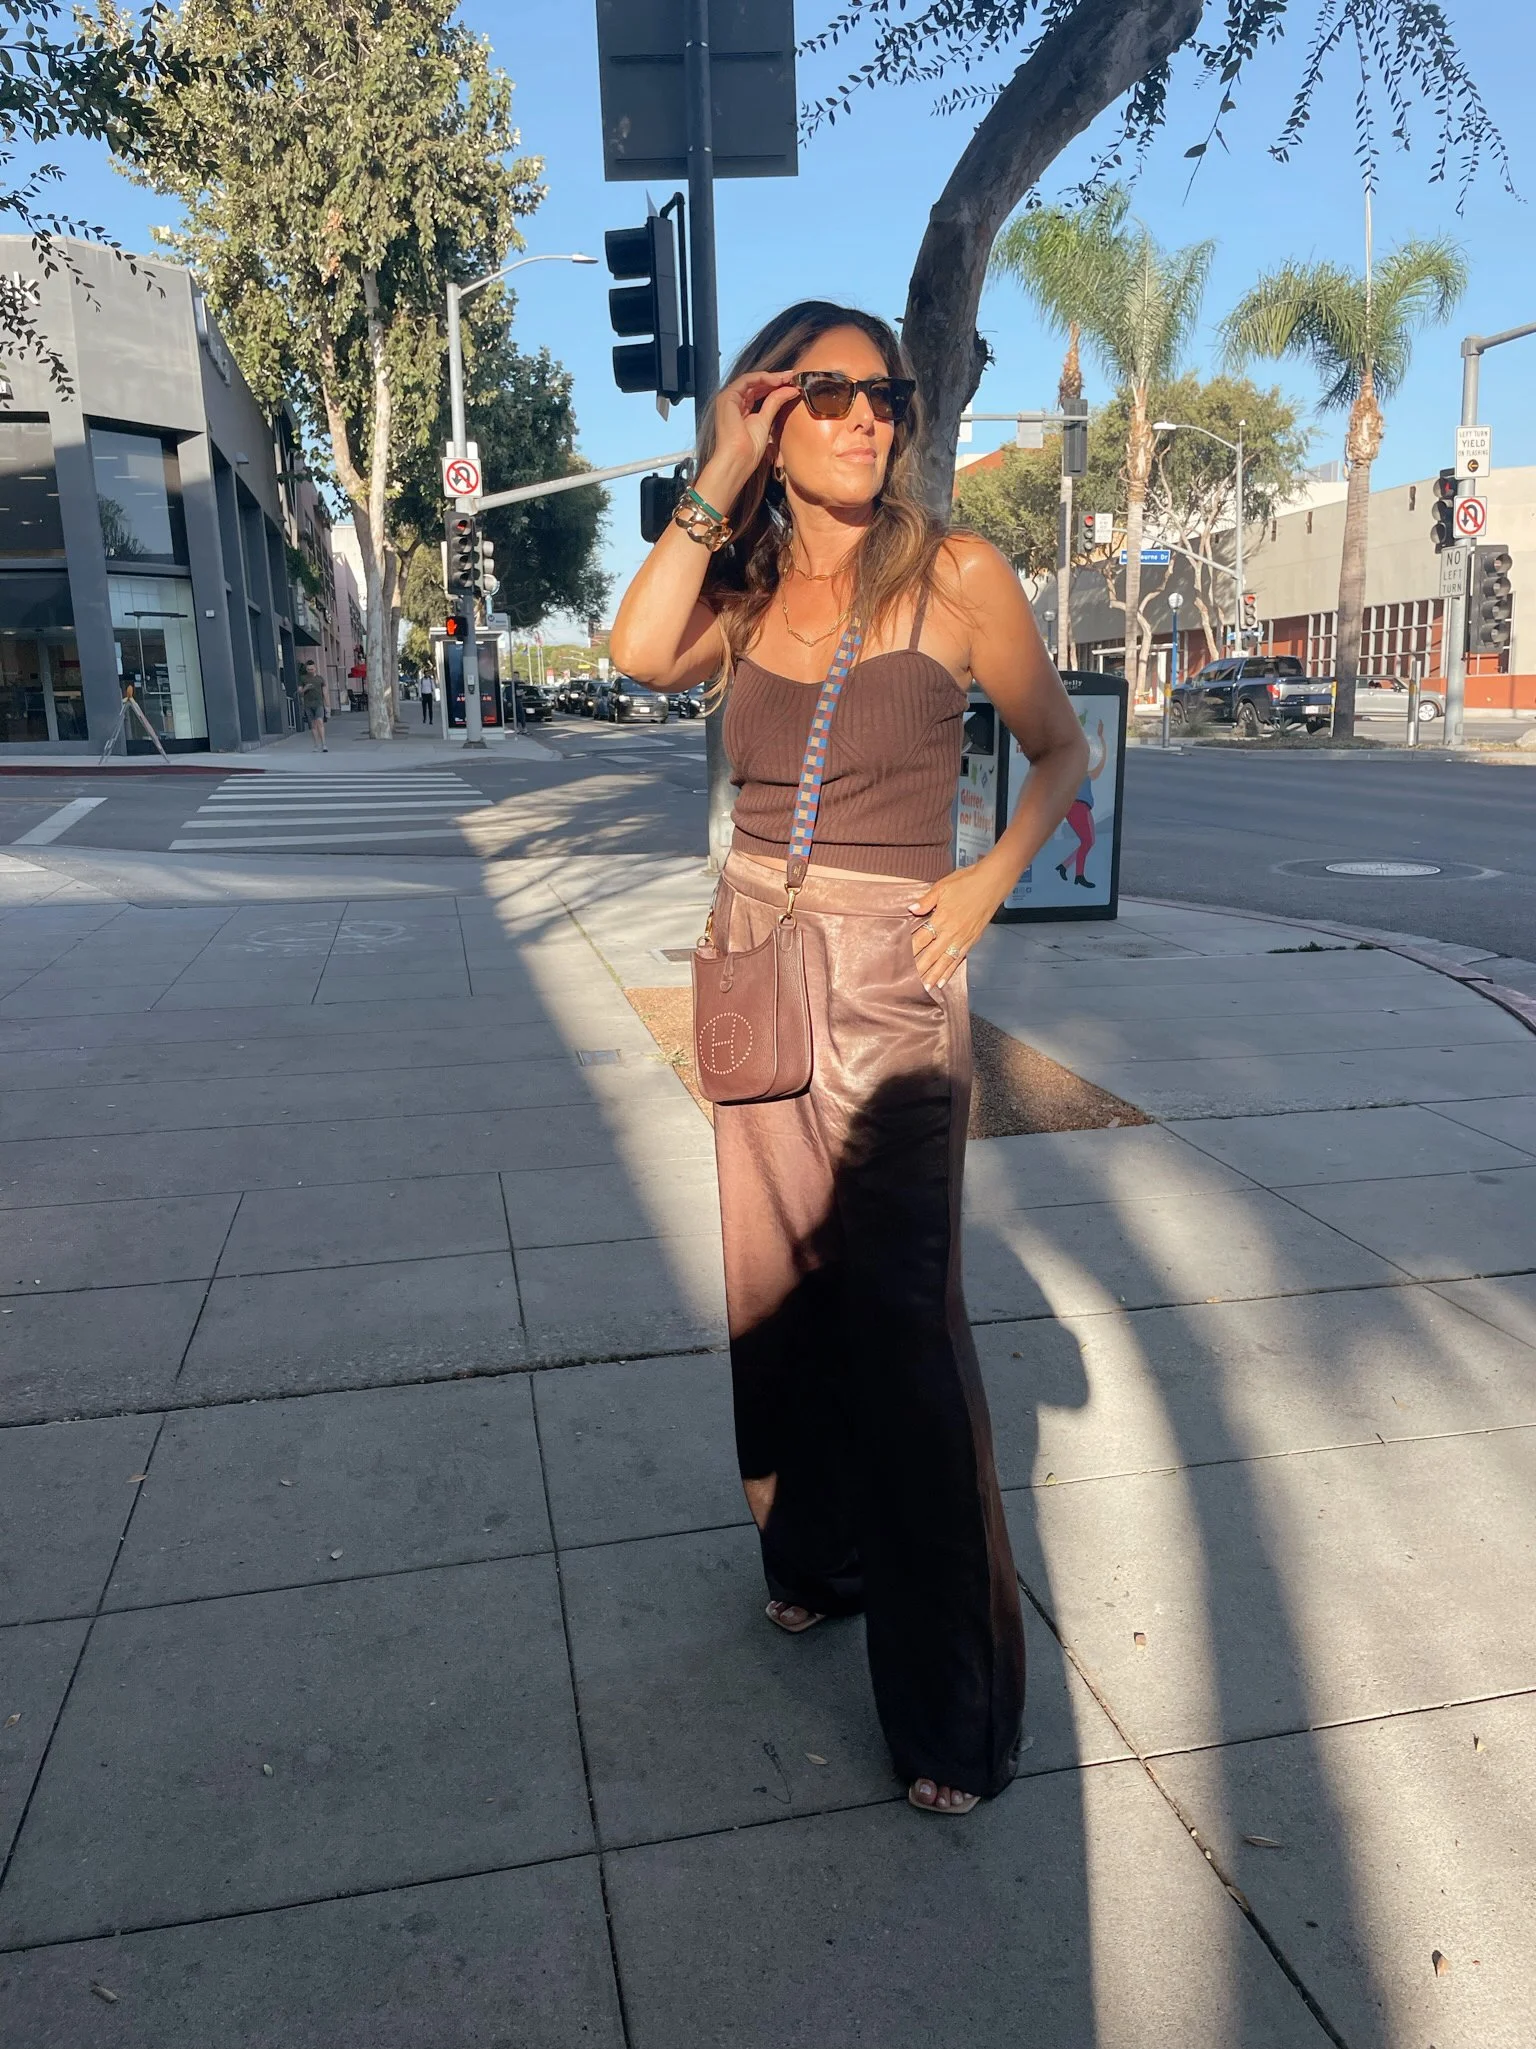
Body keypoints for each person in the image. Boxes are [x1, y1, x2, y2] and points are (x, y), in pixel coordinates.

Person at [610, 302, 1087, 1816]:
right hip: (756, 949)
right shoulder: (744, 591)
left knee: (902, 1328)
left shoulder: (958, 574)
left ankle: (954, 1715)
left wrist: (988, 877)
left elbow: (1060, 747)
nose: (868, 418)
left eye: (887, 396)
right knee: (775, 1290)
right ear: (773, 408)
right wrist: (719, 465)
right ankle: (818, 1554)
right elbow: (636, 650)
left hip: (892, 973)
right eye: (828, 394)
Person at [1057, 717, 1106, 888]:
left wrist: (1101, 739)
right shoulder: (1074, 773)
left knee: (1089, 841)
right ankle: (1078, 874)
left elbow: (1100, 767)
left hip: (1082, 808)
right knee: (1088, 841)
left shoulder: (1082, 773)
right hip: (1077, 808)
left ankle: (1065, 867)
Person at [299, 673, 327, 751]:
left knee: (320, 722)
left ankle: (324, 744)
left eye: (312, 669)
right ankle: (316, 745)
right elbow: (300, 692)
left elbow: (325, 691)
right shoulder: (303, 678)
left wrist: (327, 704)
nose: (310, 671)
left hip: (319, 704)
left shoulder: (320, 678)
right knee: (313, 725)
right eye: (308, 669)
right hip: (308, 705)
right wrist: (305, 688)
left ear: (315, 669)